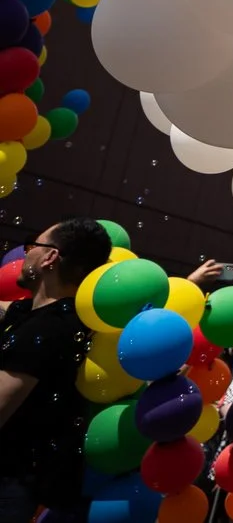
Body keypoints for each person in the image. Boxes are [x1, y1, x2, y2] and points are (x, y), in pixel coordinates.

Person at [0, 218, 113, 523]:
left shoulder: (48, 329)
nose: (25, 254)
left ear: (50, 257)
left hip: (9, 482)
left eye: (32, 246)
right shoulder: (43, 315)